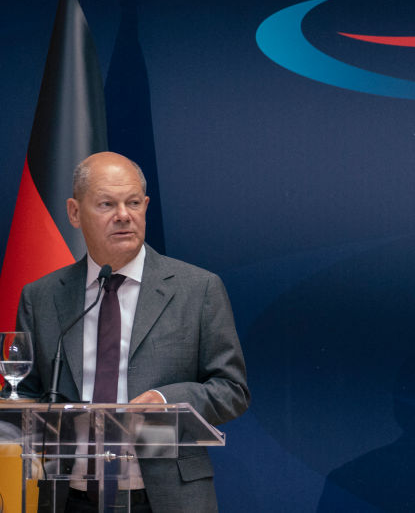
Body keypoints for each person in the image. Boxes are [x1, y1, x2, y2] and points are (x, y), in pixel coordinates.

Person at [15, 152, 250, 512]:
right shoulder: (42, 297)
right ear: (75, 213)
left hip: (165, 499)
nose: (123, 215)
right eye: (107, 204)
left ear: (146, 206)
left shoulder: (197, 289)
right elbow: (25, 398)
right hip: (70, 499)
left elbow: (232, 390)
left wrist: (165, 399)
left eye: (133, 203)